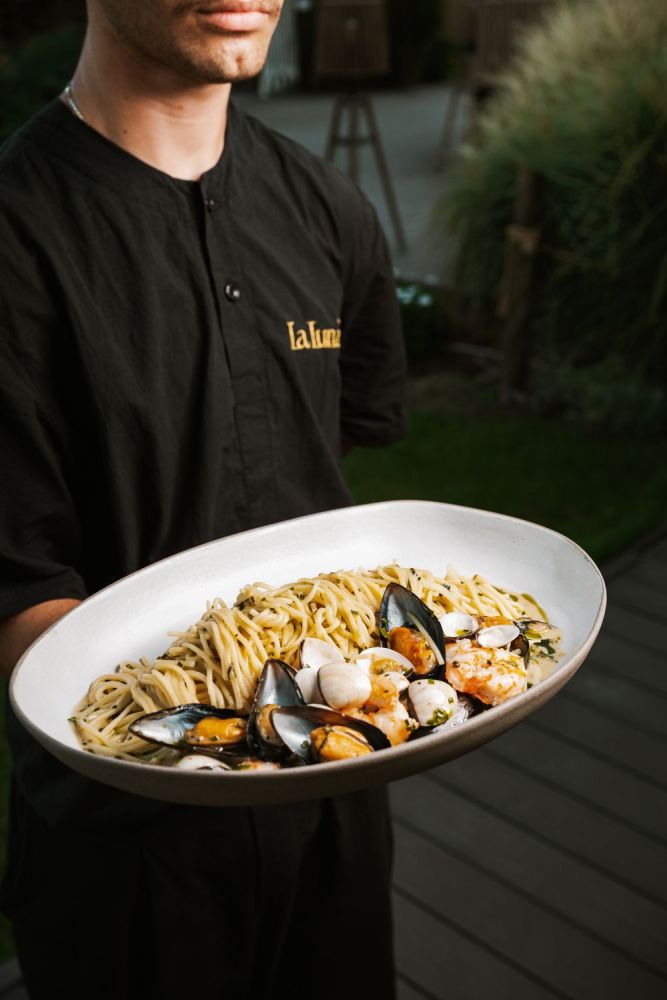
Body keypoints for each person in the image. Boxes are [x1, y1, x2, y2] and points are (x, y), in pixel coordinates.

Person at [0, 2, 408, 998]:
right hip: (129, 849)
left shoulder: (327, 206)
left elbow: (328, 439)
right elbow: (15, 586)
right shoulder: (16, 235)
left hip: (337, 810)